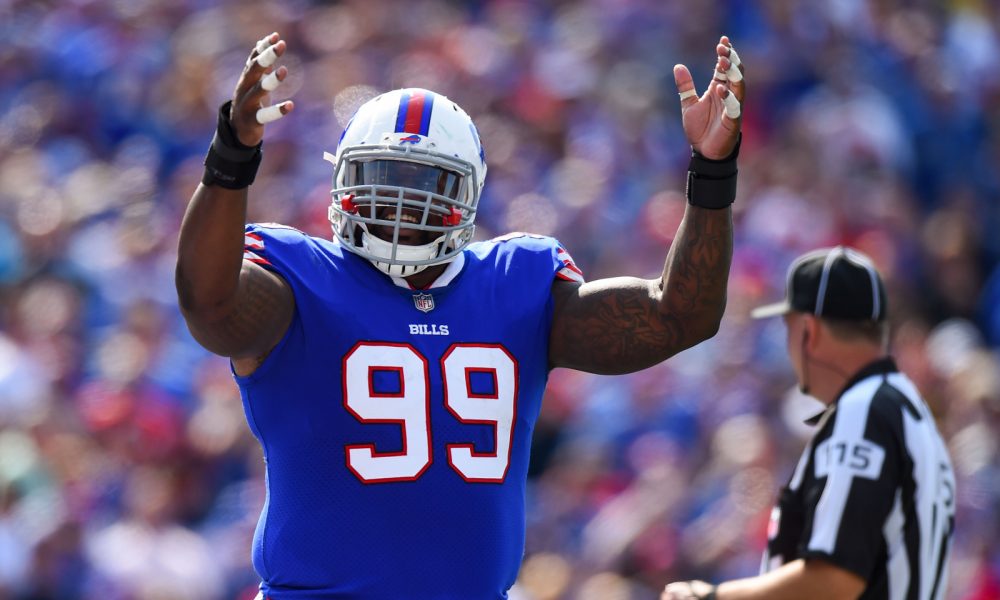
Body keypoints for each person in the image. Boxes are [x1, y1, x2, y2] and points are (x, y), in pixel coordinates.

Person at [176, 30, 745, 599]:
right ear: (344, 178)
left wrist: (712, 172)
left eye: (425, 181)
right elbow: (209, 305)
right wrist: (232, 156)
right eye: (384, 175)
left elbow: (680, 315)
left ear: (467, 193)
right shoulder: (301, 278)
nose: (402, 200)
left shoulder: (513, 283)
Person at [664, 247, 956, 600]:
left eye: (789, 328)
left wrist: (712, 597)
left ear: (809, 331)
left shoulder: (863, 412)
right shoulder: (908, 410)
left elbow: (835, 578)